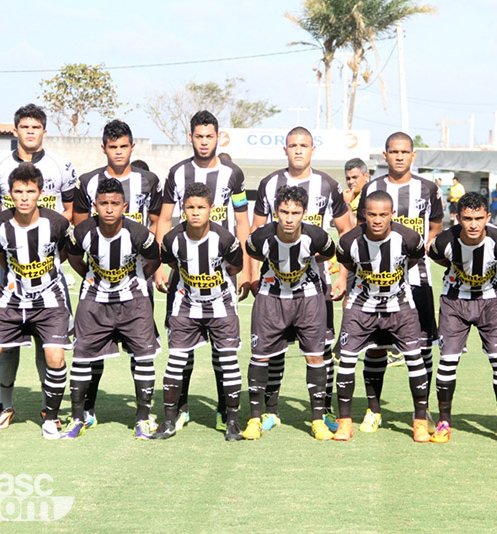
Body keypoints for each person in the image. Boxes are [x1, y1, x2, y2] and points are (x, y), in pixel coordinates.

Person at [252, 126, 352, 432]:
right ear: (285, 149)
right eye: (293, 145)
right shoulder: (269, 184)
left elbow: (346, 231)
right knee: (274, 348)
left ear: (312, 150)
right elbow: (255, 233)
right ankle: (271, 409)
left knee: (321, 348)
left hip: (315, 283)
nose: (298, 150)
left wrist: (343, 276)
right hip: (274, 284)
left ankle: (325, 408)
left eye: (304, 145)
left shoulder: (327, 184)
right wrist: (252, 274)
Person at [0, 103, 76, 430]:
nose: (30, 132)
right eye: (25, 127)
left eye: (36, 127)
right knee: (6, 339)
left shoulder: (60, 165)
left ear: (44, 131)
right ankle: (5, 406)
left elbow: (71, 209)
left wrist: (45, 246)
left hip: (48, 271)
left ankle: (47, 409)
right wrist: (17, 245)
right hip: (11, 271)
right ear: (15, 130)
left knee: (46, 340)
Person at [155, 110, 250, 433]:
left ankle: (226, 411)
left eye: (210, 136)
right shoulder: (177, 173)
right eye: (199, 136)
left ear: (218, 137)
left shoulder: (233, 174)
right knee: (182, 342)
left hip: (223, 268)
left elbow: (241, 222)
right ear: (191, 137)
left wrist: (247, 269)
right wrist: (158, 267)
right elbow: (165, 220)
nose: (205, 142)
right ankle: (179, 410)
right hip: (184, 269)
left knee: (223, 347)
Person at [0, 163, 73, 440]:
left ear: (40, 192)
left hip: (50, 301)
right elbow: (2, 258)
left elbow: (62, 254)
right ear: (10, 195)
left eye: (30, 191)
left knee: (54, 356)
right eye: (18, 191)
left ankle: (50, 418)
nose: (24, 197)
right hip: (12, 301)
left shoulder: (57, 223)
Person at [73, 119, 162, 430]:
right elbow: (79, 230)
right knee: (90, 346)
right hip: (97, 284)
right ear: (104, 149)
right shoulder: (87, 182)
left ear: (132, 147)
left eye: (124, 146)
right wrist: (90, 273)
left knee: (141, 348)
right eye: (113, 147)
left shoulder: (149, 180)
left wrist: (151, 271)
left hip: (137, 280)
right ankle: (87, 408)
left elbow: (156, 224)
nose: (119, 152)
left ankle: (143, 414)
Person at [353, 132, 442, 433]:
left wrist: (425, 247)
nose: (399, 156)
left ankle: (423, 410)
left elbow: (436, 225)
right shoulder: (372, 188)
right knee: (376, 346)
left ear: (413, 155)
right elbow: (359, 228)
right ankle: (373, 409)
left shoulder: (428, 188)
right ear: (385, 155)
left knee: (423, 347)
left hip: (417, 280)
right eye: (394, 152)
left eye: (405, 152)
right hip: (377, 282)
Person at [332, 190, 431, 442]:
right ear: (364, 214)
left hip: (400, 305)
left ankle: (419, 420)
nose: (377, 220)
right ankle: (345, 423)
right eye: (372, 214)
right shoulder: (348, 242)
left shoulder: (409, 238)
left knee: (414, 359)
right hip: (361, 305)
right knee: (346, 361)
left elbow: (415, 258)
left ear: (392, 215)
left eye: (383, 215)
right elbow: (349, 265)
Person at [243, 185, 337, 440]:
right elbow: (251, 253)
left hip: (308, 300)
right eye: (284, 212)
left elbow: (328, 254)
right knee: (261, 356)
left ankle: (317, 419)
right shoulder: (260, 237)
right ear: (276, 212)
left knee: (316, 357)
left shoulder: (317, 236)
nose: (289, 218)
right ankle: (256, 418)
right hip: (271, 299)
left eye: (295, 212)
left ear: (304, 213)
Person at [427, 192, 497, 446]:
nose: (473, 224)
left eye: (479, 218)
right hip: (454, 302)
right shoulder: (444, 241)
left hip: (493, 301)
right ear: (457, 218)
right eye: (467, 218)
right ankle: (444, 422)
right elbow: (436, 256)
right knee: (447, 361)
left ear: (488, 217)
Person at [343, 157, 371, 226]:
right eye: (348, 178)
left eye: (355, 177)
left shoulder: (370, 196)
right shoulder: (347, 196)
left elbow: (355, 229)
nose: (351, 182)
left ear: (366, 176)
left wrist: (347, 204)